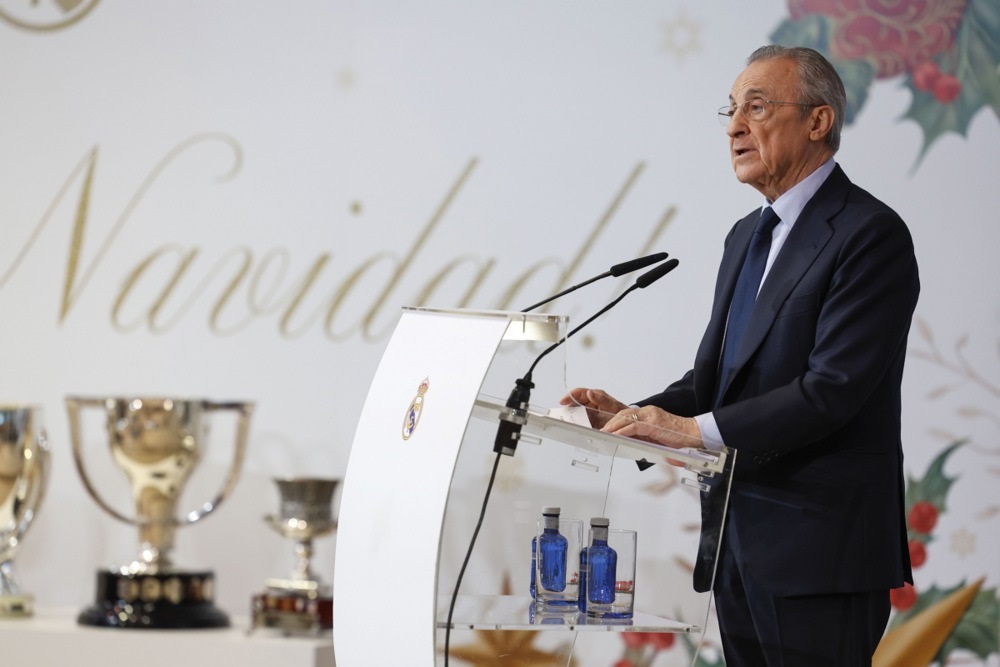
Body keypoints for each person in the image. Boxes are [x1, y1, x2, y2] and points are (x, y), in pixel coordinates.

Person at [562, 45, 919, 666]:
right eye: (730, 110)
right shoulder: (745, 236)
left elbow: (831, 390)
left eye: (756, 107)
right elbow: (717, 380)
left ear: (818, 120)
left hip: (821, 553)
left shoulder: (869, 234)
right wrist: (636, 415)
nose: (734, 127)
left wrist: (688, 431)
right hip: (738, 544)